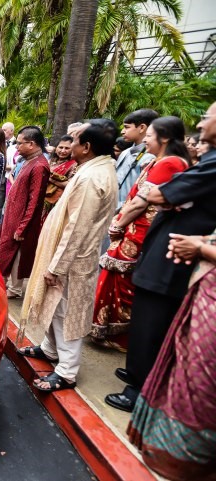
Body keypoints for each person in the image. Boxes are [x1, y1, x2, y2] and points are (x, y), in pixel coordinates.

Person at [105, 103, 216, 413]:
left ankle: (140, 390)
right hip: (168, 250)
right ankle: (138, 374)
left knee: (152, 321)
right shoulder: (203, 161)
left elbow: (158, 195)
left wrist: (145, 201)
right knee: (146, 317)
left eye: (208, 116)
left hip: (173, 259)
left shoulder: (202, 163)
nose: (202, 121)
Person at [18, 120, 119, 392]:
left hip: (73, 261)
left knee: (66, 313)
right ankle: (51, 350)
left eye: (74, 141)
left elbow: (77, 228)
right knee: (55, 307)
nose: (68, 144)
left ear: (86, 147)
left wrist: (57, 266)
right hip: (69, 256)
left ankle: (66, 371)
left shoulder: (91, 177)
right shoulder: (95, 168)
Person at [92, 117, 190, 352]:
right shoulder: (159, 161)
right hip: (133, 228)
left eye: (150, 135)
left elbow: (140, 202)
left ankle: (120, 336)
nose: (145, 140)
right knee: (114, 280)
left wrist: (118, 224)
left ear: (164, 138)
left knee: (122, 282)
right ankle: (108, 330)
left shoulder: (170, 163)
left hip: (139, 233)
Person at [125, 229, 216, 480]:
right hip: (205, 299)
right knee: (186, 374)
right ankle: (172, 453)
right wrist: (200, 242)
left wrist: (201, 249)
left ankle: (188, 463)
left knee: (202, 385)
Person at [0, 126, 50, 298]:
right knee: (6, 250)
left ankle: (15, 289)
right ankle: (4, 283)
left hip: (21, 221)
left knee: (16, 254)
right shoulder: (29, 161)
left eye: (19, 143)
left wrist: (23, 227)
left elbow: (35, 201)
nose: (16, 147)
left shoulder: (39, 166)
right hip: (12, 216)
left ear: (31, 144)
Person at [114, 109, 159, 209]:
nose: (122, 131)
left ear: (142, 128)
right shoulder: (126, 152)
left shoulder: (150, 157)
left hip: (126, 210)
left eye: (127, 127)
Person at [42, 135, 77, 224]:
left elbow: (70, 184)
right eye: (60, 147)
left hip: (58, 203)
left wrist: (51, 179)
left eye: (67, 148)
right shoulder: (51, 161)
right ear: (56, 148)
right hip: (43, 200)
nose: (63, 151)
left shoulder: (74, 165)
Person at [0, 122, 17, 229]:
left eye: (4, 130)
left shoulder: (17, 143)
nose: (2, 132)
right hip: (0, 176)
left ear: (11, 131)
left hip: (12, 176)